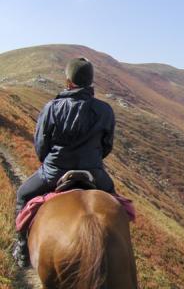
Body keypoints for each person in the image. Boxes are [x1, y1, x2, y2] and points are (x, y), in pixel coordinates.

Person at [13, 57, 116, 267]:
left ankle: (22, 248)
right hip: (93, 172)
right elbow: (107, 145)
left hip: (54, 172)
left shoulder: (51, 108)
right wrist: (93, 161)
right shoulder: (105, 110)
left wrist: (49, 163)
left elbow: (41, 143)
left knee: (23, 195)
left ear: (68, 82)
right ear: (91, 82)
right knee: (115, 204)